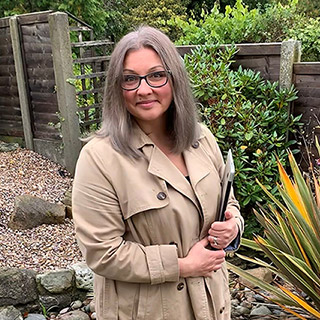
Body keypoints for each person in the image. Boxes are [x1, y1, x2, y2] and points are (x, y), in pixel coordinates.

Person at [72, 26, 244, 320]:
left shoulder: (201, 138)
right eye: (130, 79)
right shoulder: (99, 158)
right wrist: (182, 266)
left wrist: (233, 226)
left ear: (174, 79)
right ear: (117, 87)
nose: (143, 89)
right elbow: (102, 253)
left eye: (156, 75)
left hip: (213, 303)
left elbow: (228, 203)